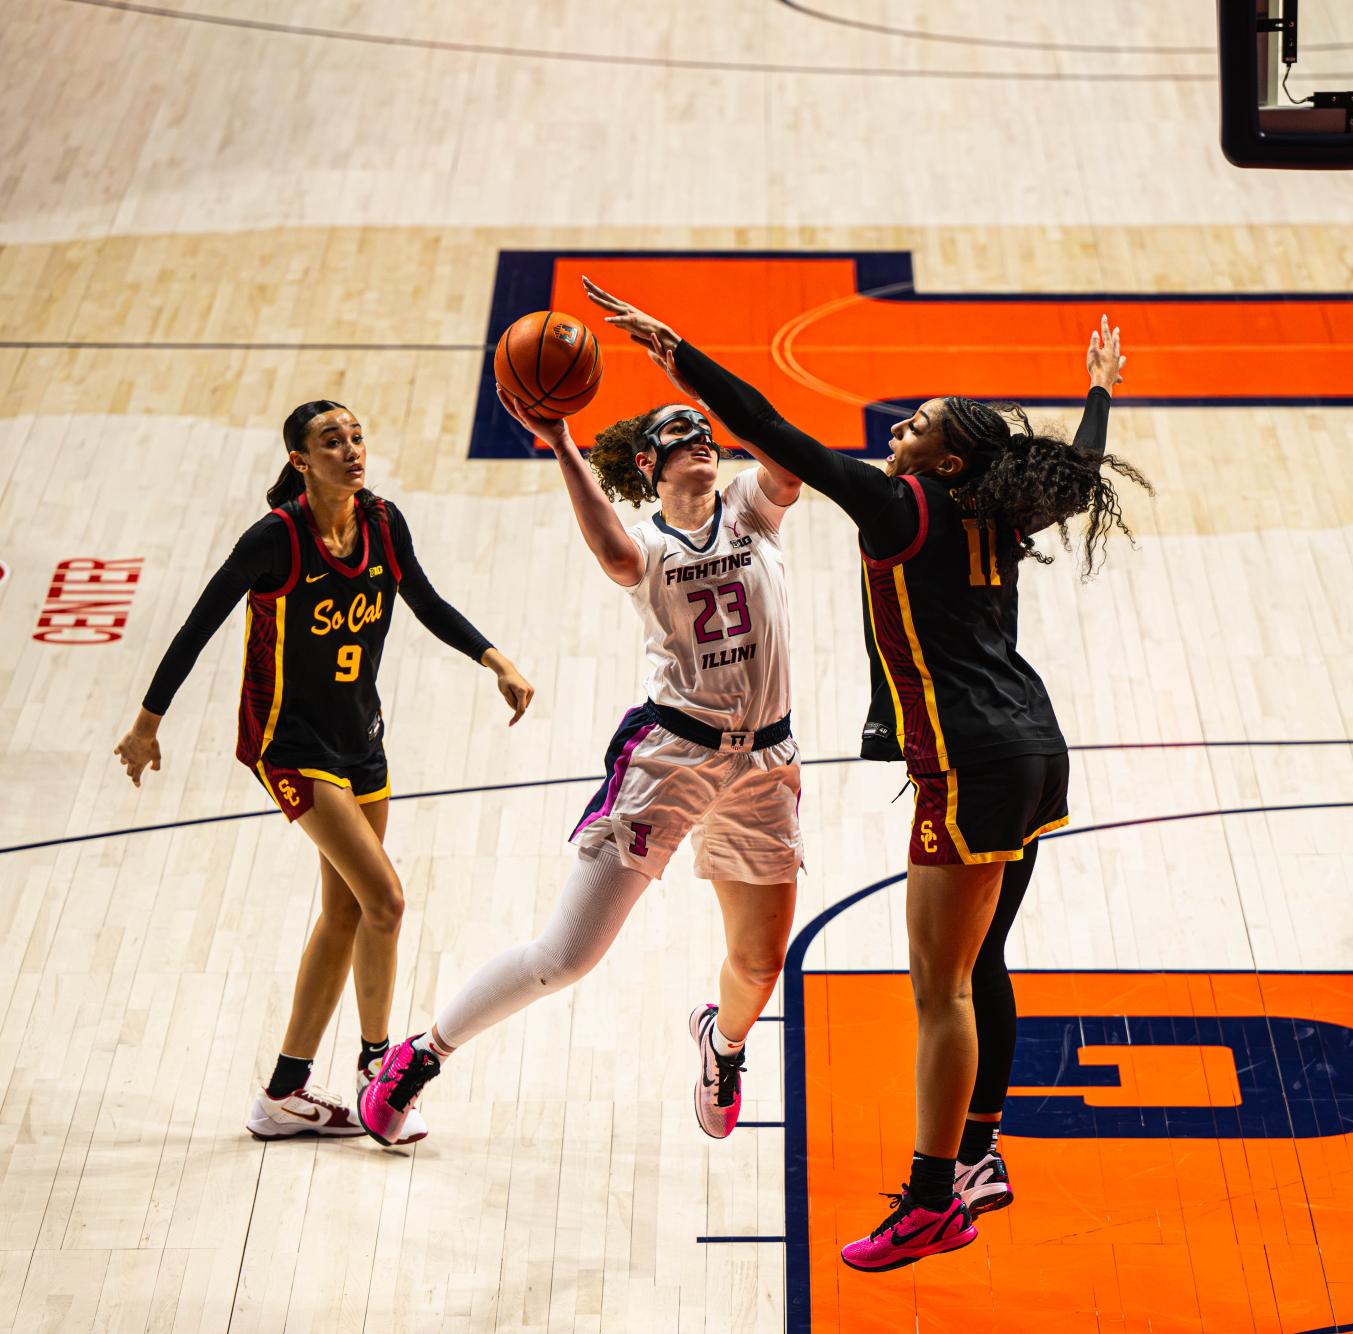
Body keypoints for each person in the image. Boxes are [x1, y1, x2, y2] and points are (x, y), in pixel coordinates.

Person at [581, 276, 1148, 1271]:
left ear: (948, 457)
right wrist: (1097, 391)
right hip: (1034, 748)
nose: (901, 426)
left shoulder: (900, 507)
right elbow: (1079, 469)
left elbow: (769, 427)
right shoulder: (1001, 508)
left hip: (968, 762)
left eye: (920, 422)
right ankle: (977, 1154)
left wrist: (677, 352)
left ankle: (933, 1198)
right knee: (980, 962)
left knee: (941, 990)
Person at [359, 361, 805, 1149]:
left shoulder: (751, 508)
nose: (701, 442)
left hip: (766, 764)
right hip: (672, 760)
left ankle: (721, 1047)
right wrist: (561, 439)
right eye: (681, 436)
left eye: (706, 434)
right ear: (648, 467)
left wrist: (705, 389)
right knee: (565, 958)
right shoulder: (645, 546)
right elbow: (606, 549)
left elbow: (782, 454)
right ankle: (417, 1057)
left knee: (759, 964)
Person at [113, 400, 533, 1143]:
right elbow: (198, 623)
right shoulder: (276, 540)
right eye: (331, 441)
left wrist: (493, 658)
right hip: (287, 743)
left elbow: (424, 599)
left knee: (344, 913)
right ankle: (380, 1075)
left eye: (357, 436)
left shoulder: (381, 521)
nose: (352, 449)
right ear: (301, 461)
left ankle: (283, 1095)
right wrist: (148, 722)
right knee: (387, 901)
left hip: (359, 736)